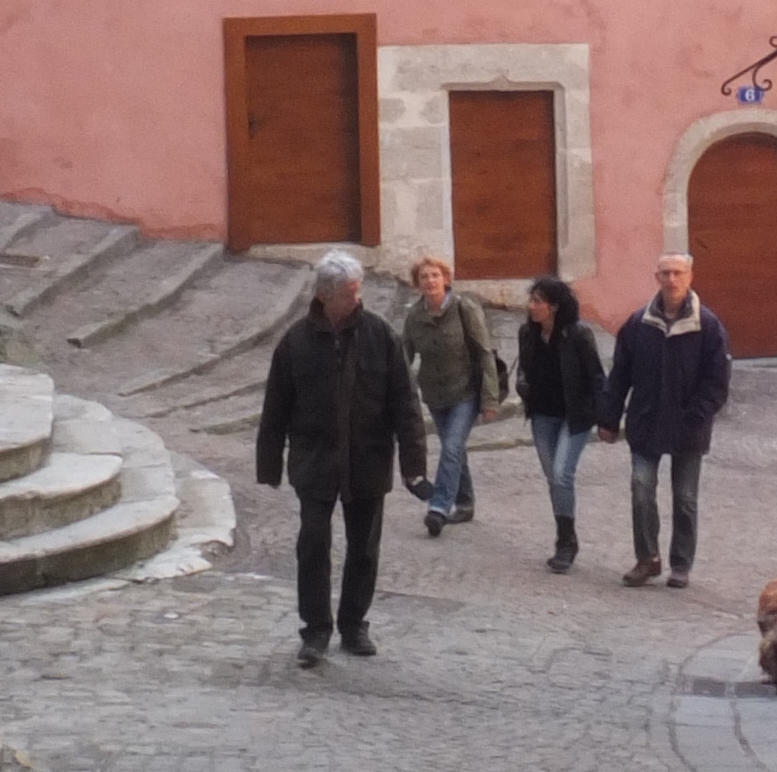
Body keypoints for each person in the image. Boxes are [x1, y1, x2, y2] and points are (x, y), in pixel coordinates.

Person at [255, 251, 428, 667]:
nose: (358, 298)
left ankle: (354, 625)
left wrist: (414, 465)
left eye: (358, 290)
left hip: (367, 460)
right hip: (314, 462)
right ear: (325, 295)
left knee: (364, 549)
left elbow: (405, 403)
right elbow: (276, 406)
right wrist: (269, 464)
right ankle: (315, 629)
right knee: (312, 545)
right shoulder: (295, 342)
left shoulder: (380, 335)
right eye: (351, 292)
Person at [605, 250, 732, 588]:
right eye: (665, 273)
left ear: (690, 276)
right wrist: (608, 417)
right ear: (657, 278)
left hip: (689, 427)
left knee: (685, 498)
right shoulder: (637, 324)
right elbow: (620, 375)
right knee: (641, 487)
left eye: (678, 273)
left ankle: (680, 563)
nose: (672, 280)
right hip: (646, 422)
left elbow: (717, 381)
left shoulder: (708, 326)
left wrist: (698, 415)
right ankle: (647, 558)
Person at [399, 254, 501, 536]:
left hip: (465, 391)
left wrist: (490, 398)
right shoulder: (414, 316)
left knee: (452, 447)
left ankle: (439, 507)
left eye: (435, 275)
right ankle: (465, 502)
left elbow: (484, 352)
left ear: (446, 279)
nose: (430, 281)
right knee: (452, 448)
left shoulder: (463, 308)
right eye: (424, 277)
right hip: (434, 393)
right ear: (417, 283)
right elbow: (403, 356)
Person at [516, 276, 608, 572]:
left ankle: (566, 542)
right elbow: (525, 368)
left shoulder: (578, 335)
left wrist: (604, 416)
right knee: (552, 477)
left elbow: (596, 377)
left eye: (537, 302)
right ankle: (564, 533)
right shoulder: (526, 334)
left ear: (553, 306)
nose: (531, 307)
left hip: (574, 415)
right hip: (542, 414)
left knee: (561, 474)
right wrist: (523, 386)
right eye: (531, 301)